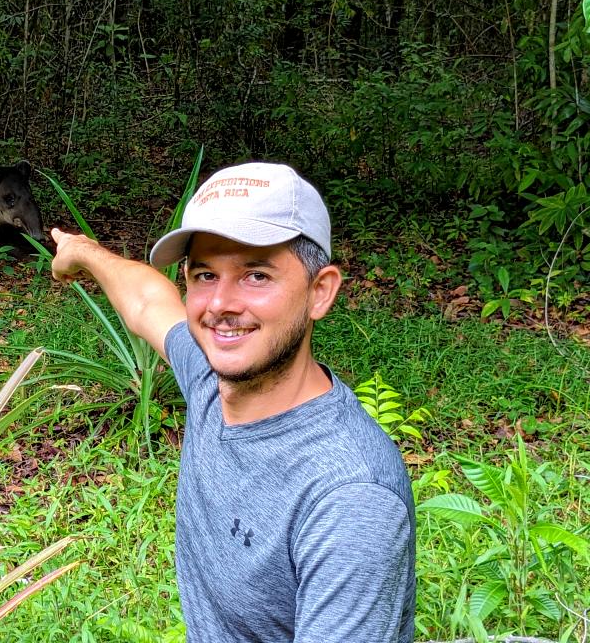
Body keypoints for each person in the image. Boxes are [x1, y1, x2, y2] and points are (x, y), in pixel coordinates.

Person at [50, 161, 415, 643]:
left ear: (320, 292)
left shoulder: (349, 499)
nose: (219, 303)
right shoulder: (212, 378)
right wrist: (84, 252)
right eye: (204, 275)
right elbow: (146, 302)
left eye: (256, 275)